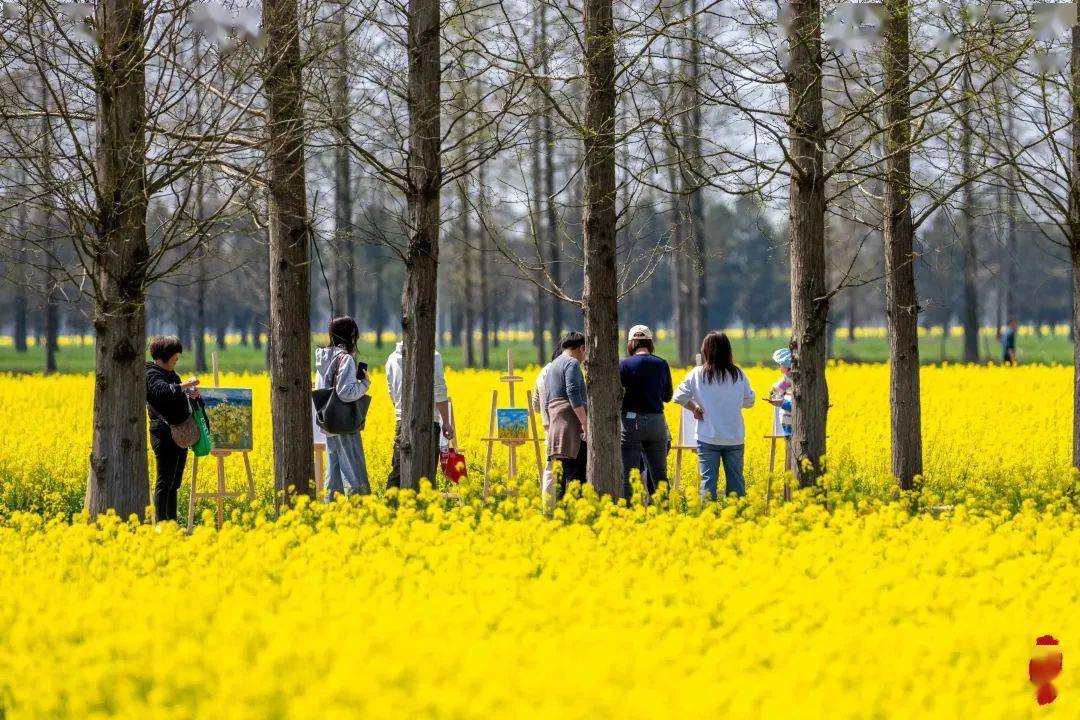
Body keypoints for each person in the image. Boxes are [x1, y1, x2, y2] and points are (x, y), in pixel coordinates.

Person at [673, 331, 756, 501]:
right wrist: (731, 403)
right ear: (727, 350)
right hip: (734, 437)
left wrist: (694, 407)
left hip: (708, 437)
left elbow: (678, 397)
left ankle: (708, 520)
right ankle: (738, 517)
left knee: (708, 483)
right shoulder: (738, 374)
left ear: (706, 351)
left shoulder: (697, 373)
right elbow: (750, 401)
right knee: (736, 483)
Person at [315, 316, 372, 501]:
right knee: (354, 469)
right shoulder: (345, 359)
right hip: (344, 422)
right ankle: (360, 509)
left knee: (334, 469)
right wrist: (364, 384)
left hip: (328, 422)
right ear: (351, 335)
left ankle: (332, 509)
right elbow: (345, 392)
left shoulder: (324, 358)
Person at [145, 335, 200, 523]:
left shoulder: (171, 374)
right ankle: (161, 524)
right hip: (164, 434)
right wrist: (185, 385)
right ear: (164, 356)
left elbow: (177, 393)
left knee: (174, 483)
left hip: (179, 435)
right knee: (164, 482)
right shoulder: (150, 373)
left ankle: (172, 522)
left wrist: (191, 395)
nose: (176, 362)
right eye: (175, 358)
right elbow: (162, 391)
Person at [385, 341, 454, 489]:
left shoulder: (391, 358)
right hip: (428, 421)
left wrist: (400, 411)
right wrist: (446, 422)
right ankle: (422, 508)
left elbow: (391, 390)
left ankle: (390, 507)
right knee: (426, 473)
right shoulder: (433, 356)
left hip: (401, 421)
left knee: (399, 469)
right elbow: (439, 390)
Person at [619, 325, 672, 499]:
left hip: (630, 422)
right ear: (650, 342)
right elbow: (667, 396)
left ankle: (627, 513)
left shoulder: (623, 365)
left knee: (628, 475)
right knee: (660, 475)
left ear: (631, 343)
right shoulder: (661, 364)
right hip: (657, 422)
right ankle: (665, 513)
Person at [545, 331, 588, 496]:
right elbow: (572, 392)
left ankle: (561, 513)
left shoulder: (553, 365)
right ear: (581, 348)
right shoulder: (571, 363)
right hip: (571, 427)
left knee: (560, 477)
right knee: (578, 477)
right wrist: (585, 423)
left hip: (556, 427)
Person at [532, 341, 566, 507]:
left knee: (550, 469)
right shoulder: (562, 370)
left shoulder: (541, 373)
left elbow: (535, 405)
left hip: (548, 428)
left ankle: (548, 507)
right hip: (564, 427)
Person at [767, 348, 793, 437]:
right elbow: (773, 394)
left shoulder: (786, 380)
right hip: (787, 420)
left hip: (789, 420)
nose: (780, 367)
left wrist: (774, 397)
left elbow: (773, 394)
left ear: (788, 368)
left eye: (781, 365)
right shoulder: (785, 380)